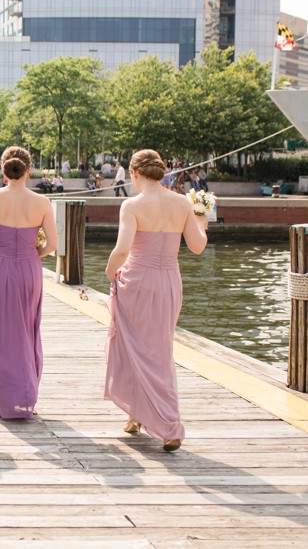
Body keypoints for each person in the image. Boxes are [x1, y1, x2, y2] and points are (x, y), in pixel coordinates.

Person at [104, 149, 208, 452]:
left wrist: (110, 272)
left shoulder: (132, 205)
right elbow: (198, 247)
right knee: (158, 348)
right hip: (168, 282)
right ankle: (136, 416)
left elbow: (122, 249)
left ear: (134, 174)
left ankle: (169, 424)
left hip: (137, 280)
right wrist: (202, 220)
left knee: (132, 345)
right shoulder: (181, 203)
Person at [0, 146, 58, 419]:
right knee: (26, 330)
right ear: (29, 170)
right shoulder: (42, 202)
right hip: (29, 269)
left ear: (3, 169)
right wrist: (34, 254)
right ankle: (24, 394)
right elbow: (53, 245)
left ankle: (0, 398)